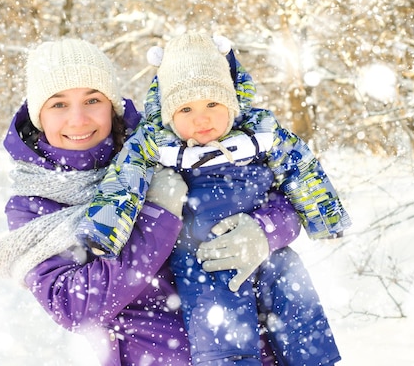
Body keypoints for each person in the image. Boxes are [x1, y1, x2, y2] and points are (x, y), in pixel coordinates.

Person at [0, 38, 304, 366]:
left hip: (250, 351)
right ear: (38, 114)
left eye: (93, 100)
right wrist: (157, 216)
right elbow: (74, 305)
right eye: (58, 104)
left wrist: (262, 231)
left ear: (111, 106)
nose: (78, 119)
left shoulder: (164, 147)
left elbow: (282, 197)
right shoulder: (35, 202)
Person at [80, 32, 351, 365]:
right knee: (224, 332)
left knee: (297, 305)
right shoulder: (154, 143)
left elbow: (300, 166)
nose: (202, 118)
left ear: (232, 102)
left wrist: (325, 217)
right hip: (203, 259)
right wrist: (103, 233)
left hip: (269, 252)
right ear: (168, 114)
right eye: (186, 109)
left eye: (212, 103)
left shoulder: (259, 131)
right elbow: (125, 180)